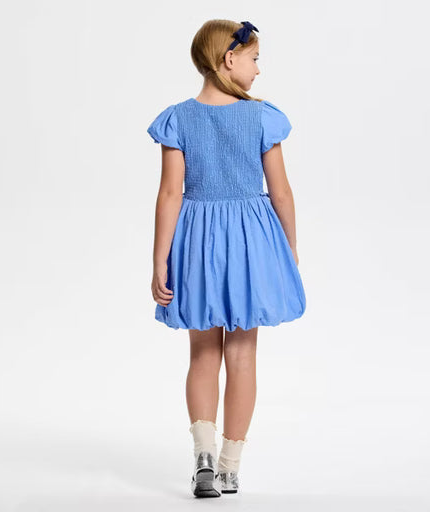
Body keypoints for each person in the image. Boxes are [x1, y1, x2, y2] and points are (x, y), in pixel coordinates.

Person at [147, 19, 306, 498]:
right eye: (254, 58)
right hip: (250, 243)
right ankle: (230, 466)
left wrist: (159, 259)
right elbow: (281, 191)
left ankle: (203, 455)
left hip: (196, 242)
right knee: (242, 354)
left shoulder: (178, 118)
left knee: (202, 352)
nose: (258, 69)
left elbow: (170, 194)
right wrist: (289, 249)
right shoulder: (262, 117)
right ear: (228, 59)